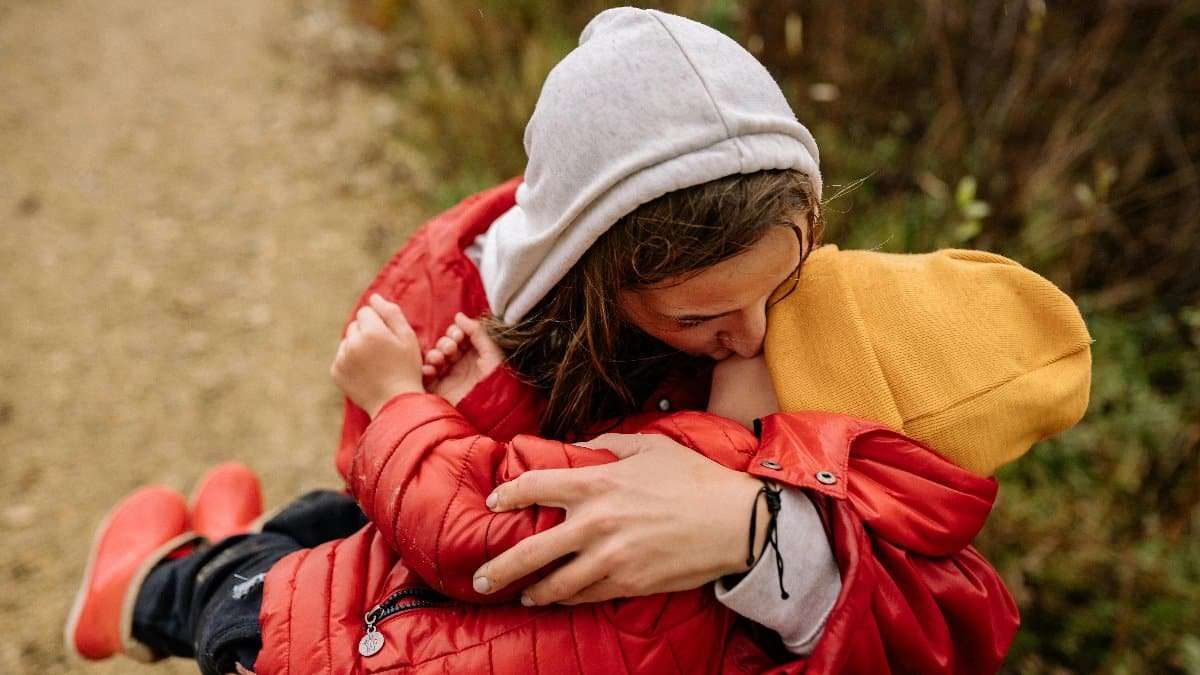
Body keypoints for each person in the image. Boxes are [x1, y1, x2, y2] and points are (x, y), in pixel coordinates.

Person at [66, 7, 1055, 674]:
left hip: (404, 622)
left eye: (784, 294)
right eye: (703, 320)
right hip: (434, 575)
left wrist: (755, 530)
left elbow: (951, 608)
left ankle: (159, 577)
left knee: (260, 588)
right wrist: (456, 401)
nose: (751, 336)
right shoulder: (466, 288)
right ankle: (231, 546)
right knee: (332, 517)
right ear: (592, 277)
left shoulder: (793, 378)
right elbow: (411, 492)